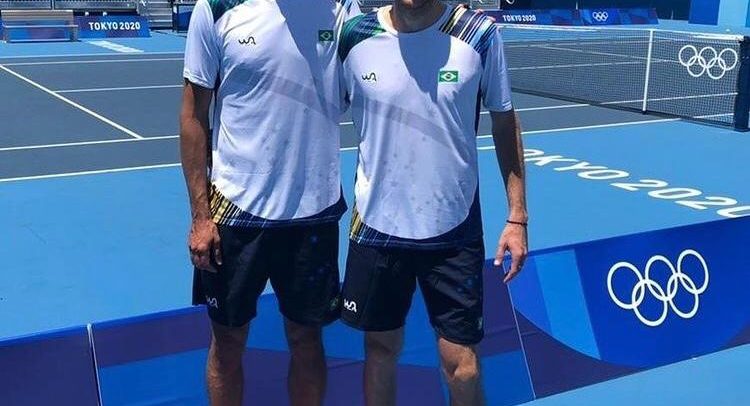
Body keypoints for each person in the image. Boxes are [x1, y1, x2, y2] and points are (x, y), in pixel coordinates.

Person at [338, 1, 528, 404]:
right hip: (375, 227)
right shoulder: (354, 36)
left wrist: (517, 216)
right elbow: (320, 114)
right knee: (380, 349)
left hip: (453, 231)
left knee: (462, 366)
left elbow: (504, 120)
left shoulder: (479, 35)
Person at [180, 0, 359, 405]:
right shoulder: (217, 8)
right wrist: (200, 218)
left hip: (313, 215)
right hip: (234, 214)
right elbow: (193, 114)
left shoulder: (344, 9)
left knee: (307, 340)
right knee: (227, 344)